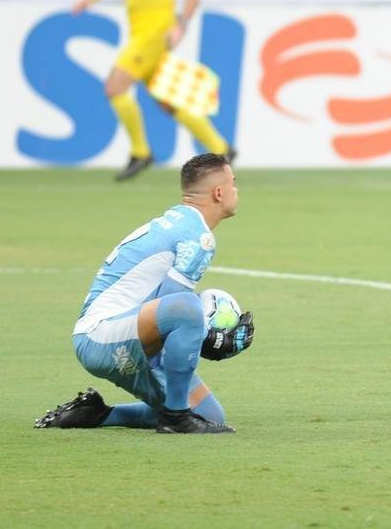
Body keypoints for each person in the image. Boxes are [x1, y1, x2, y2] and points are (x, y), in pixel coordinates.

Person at [35, 153, 255, 434]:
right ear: (219, 192)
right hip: (102, 336)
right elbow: (174, 307)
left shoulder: (176, 221)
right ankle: (175, 419)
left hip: (113, 333)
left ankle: (97, 414)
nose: (236, 190)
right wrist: (206, 335)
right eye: (233, 183)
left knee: (210, 414)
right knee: (187, 308)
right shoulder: (198, 237)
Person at [71, 0, 231, 182]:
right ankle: (222, 148)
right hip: (138, 32)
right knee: (166, 100)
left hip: (155, 34)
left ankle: (141, 152)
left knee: (115, 87)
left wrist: (180, 24)